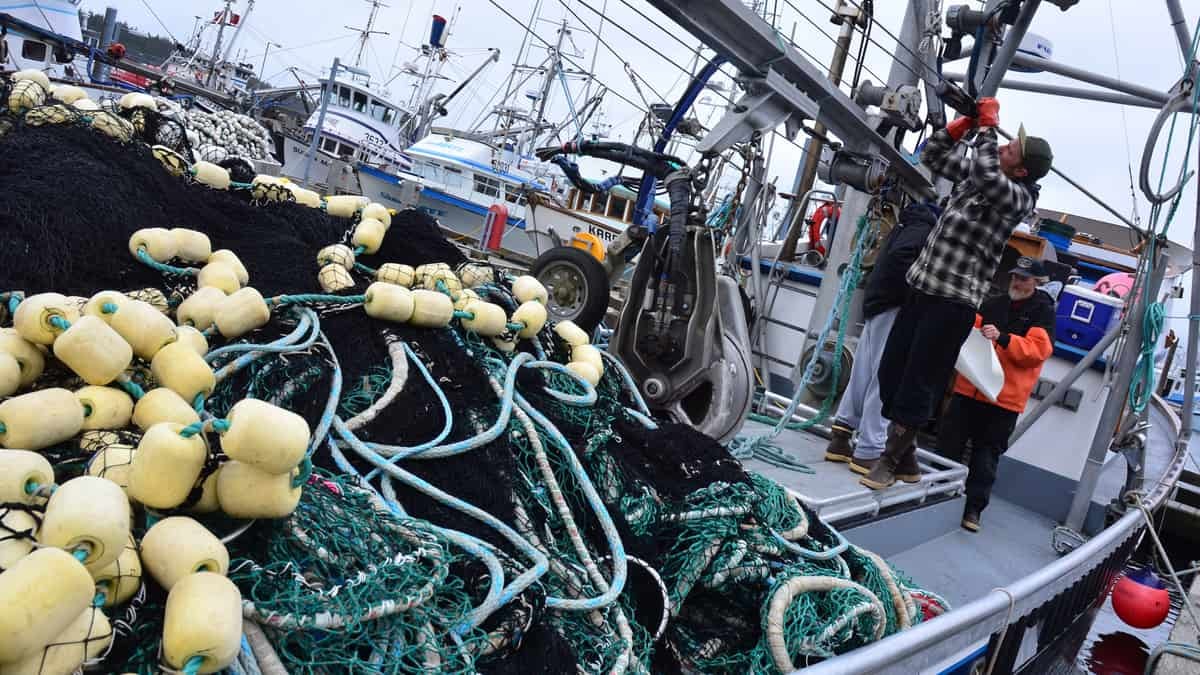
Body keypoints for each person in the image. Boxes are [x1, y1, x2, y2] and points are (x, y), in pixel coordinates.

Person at [862, 97, 1055, 490]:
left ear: (1020, 169)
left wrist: (985, 126)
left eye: (1010, 148)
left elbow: (986, 174)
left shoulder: (1018, 198)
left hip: (953, 302)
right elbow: (933, 154)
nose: (1002, 145)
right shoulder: (982, 173)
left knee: (920, 380)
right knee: (891, 372)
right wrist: (960, 125)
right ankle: (908, 459)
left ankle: (889, 459)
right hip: (922, 287)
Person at [936, 257, 1056, 531]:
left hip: (1004, 400)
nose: (1017, 281)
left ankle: (973, 509)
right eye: (1015, 276)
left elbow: (1037, 352)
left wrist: (1003, 338)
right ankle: (936, 494)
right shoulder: (992, 304)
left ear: (1037, 283)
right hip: (969, 390)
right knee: (948, 444)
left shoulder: (1043, 312)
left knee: (986, 456)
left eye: (1024, 278)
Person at [824, 201, 938, 478]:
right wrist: (917, 292)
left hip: (878, 302)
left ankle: (841, 434)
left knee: (864, 371)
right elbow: (903, 258)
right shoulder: (925, 229)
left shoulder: (905, 225)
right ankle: (868, 452)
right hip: (897, 305)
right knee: (886, 377)